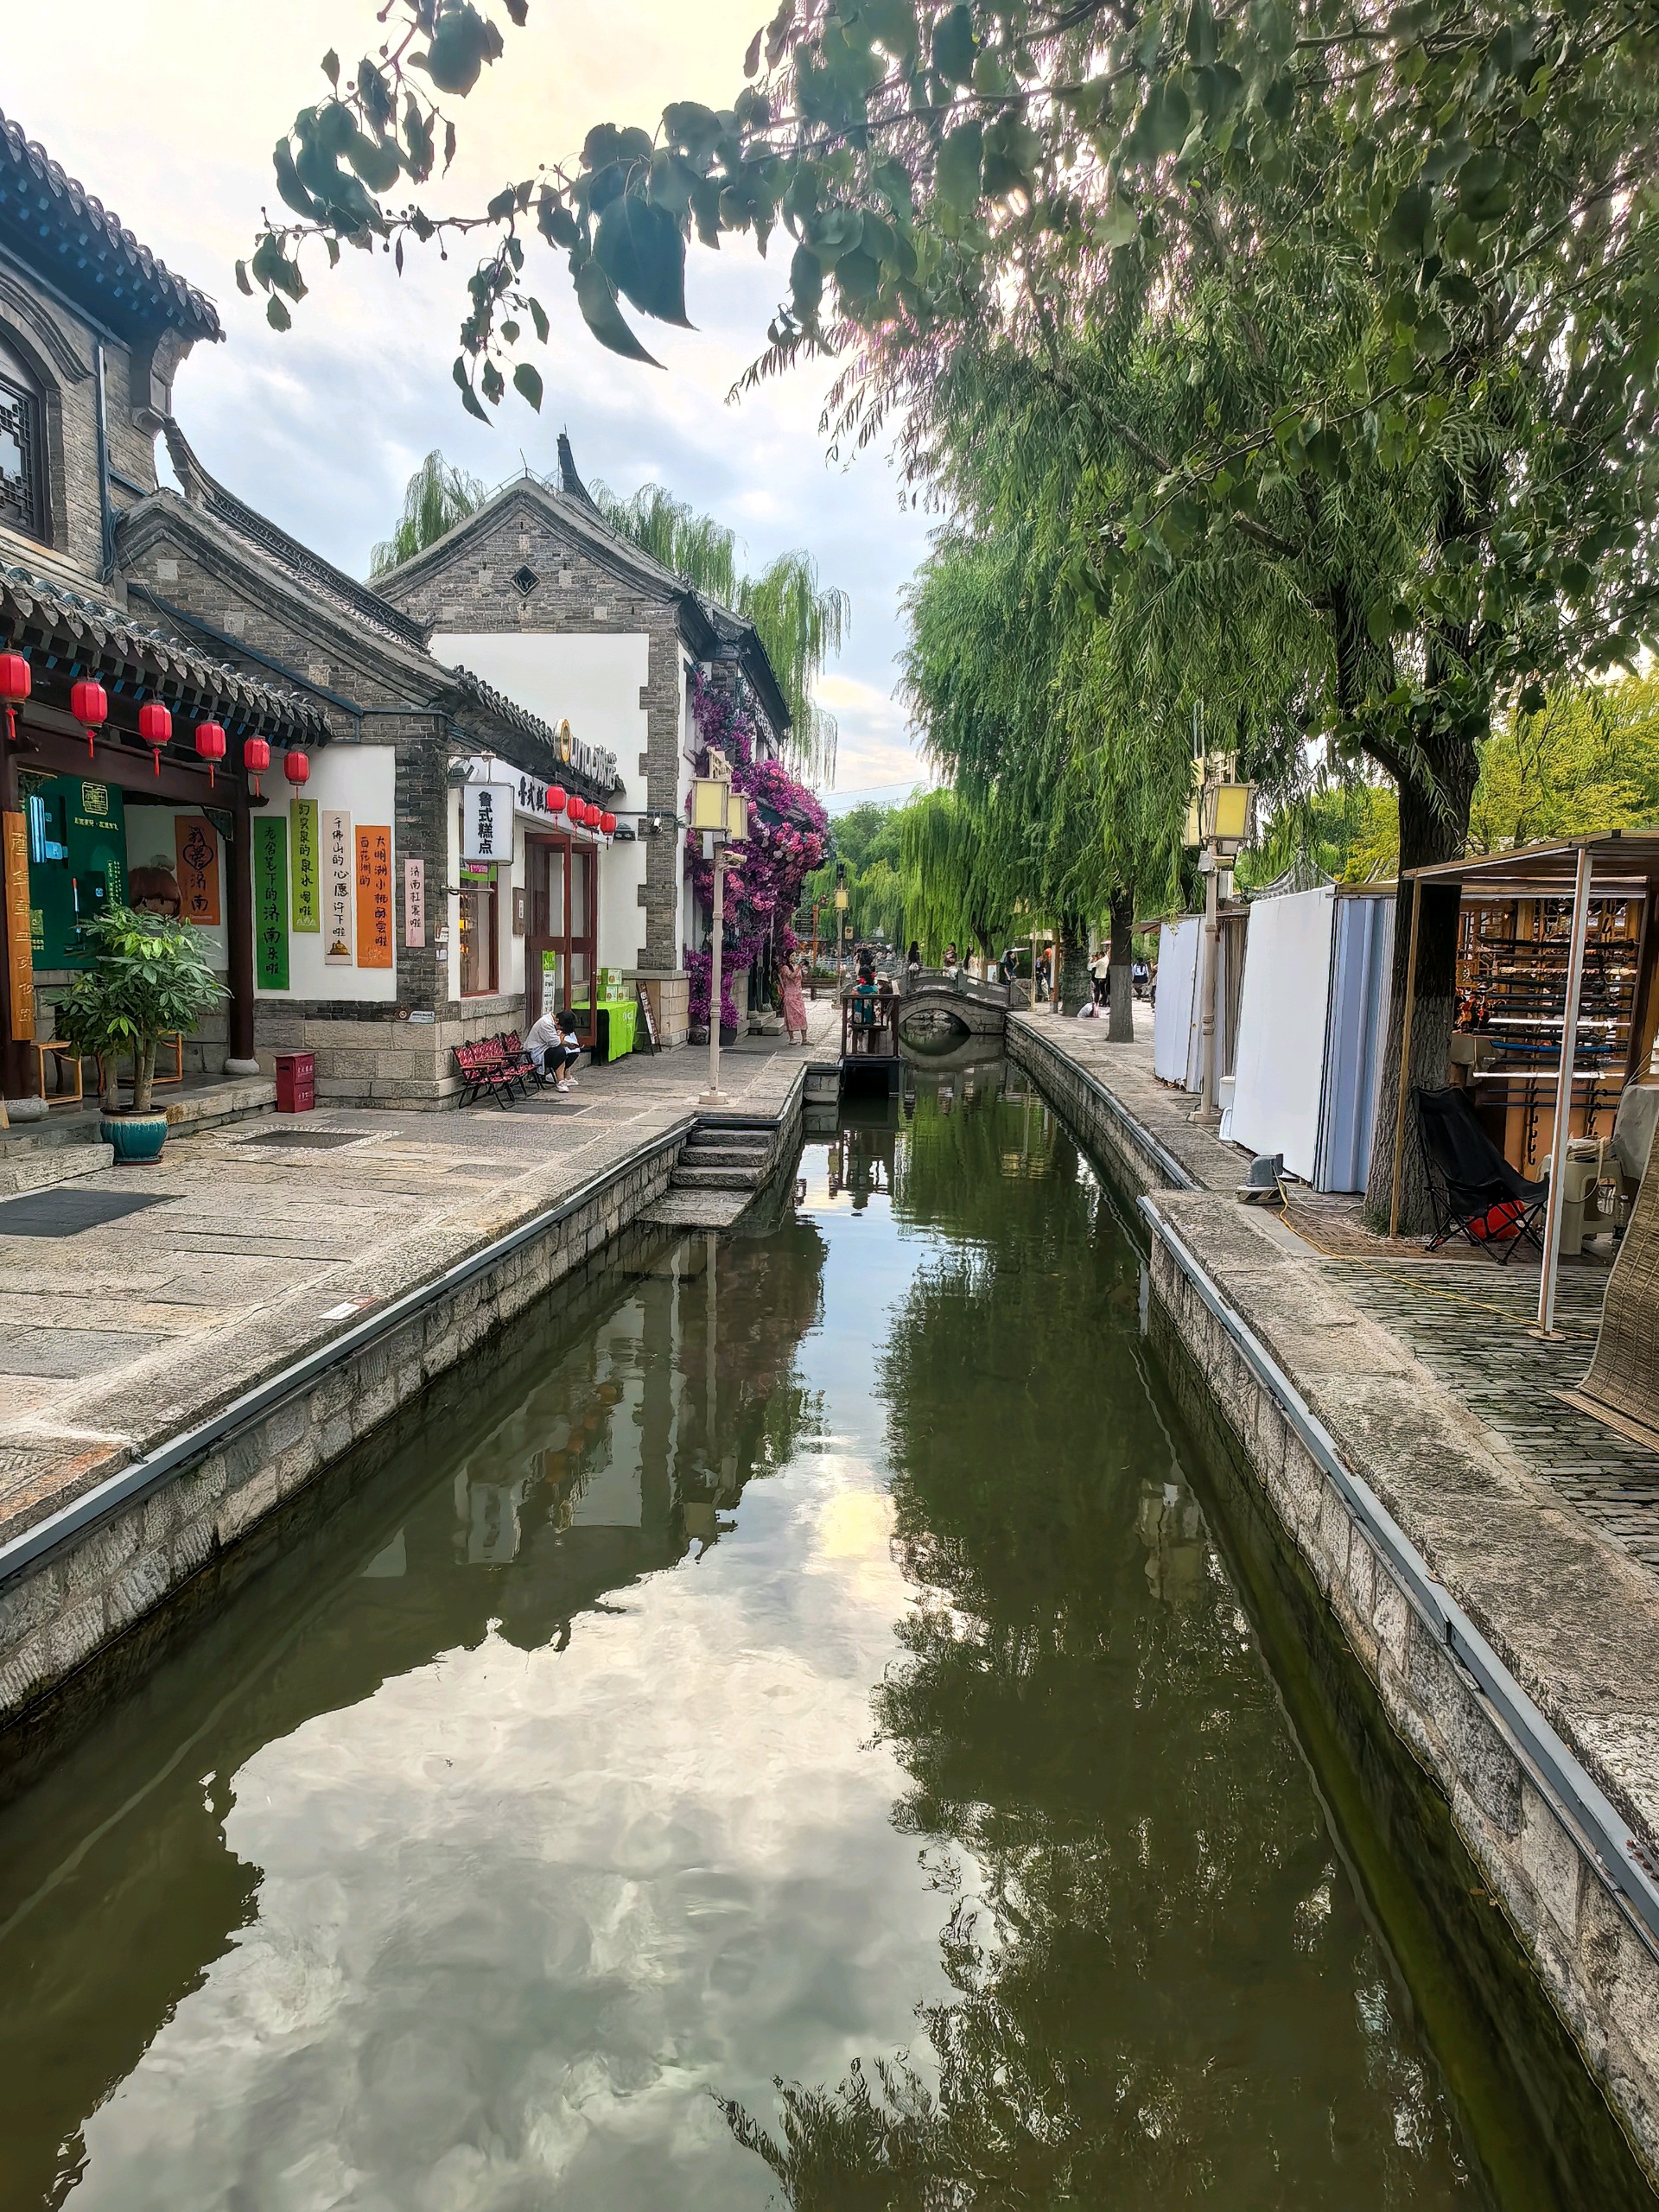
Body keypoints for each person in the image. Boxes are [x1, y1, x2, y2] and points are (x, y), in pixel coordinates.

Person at [779, 948, 808, 1046]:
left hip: (798, 995)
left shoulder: (797, 967)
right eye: (792, 956)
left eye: (795, 956)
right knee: (791, 1016)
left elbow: (800, 979)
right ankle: (792, 1038)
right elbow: (791, 976)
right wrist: (799, 968)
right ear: (788, 957)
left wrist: (804, 969)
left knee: (802, 1015)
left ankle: (804, 1038)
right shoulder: (785, 968)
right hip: (790, 995)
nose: (794, 958)